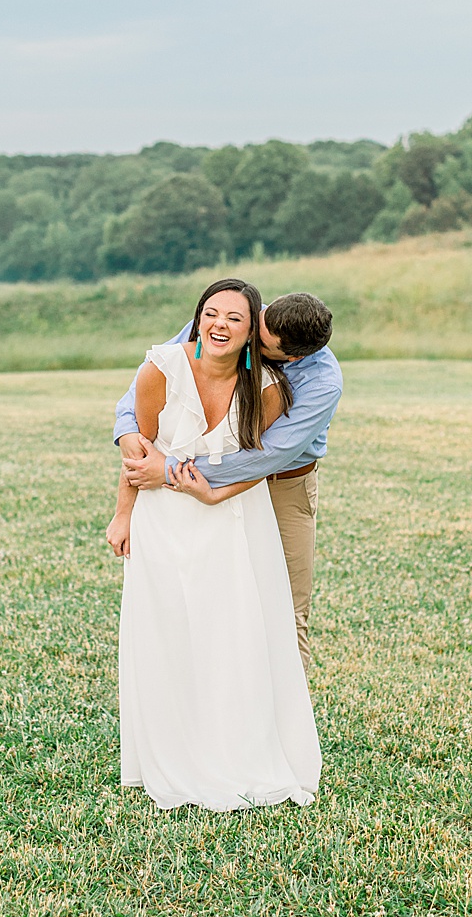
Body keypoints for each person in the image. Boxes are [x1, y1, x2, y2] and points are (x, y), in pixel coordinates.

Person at [104, 278, 321, 811]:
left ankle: (235, 750)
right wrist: (123, 513)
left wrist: (212, 493)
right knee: (168, 630)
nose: (220, 325)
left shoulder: (271, 387)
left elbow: (258, 462)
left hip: (230, 517)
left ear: (253, 335)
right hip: (160, 518)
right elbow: (139, 445)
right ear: (198, 316)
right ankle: (173, 752)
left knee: (232, 633)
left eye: (235, 319)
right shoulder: (161, 366)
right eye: (212, 313)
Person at [113, 291, 341, 670]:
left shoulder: (322, 383)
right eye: (256, 326)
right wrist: (126, 432)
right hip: (197, 484)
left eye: (262, 345)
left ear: (293, 356)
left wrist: (169, 470)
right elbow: (155, 371)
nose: (247, 339)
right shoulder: (234, 319)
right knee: (210, 603)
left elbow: (268, 456)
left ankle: (282, 720)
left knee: (282, 608)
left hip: (281, 486)